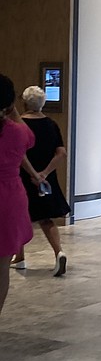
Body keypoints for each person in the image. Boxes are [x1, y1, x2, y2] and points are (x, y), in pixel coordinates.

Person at [12, 85, 71, 276]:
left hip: (22, 176)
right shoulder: (51, 125)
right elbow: (61, 152)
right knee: (47, 219)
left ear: (24, 102)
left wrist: (33, 174)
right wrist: (44, 173)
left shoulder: (19, 125)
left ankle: (19, 257)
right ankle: (58, 252)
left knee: (19, 217)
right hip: (46, 179)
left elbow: (19, 153)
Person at [0, 75, 42, 314]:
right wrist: (12, 110)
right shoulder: (16, 132)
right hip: (10, 198)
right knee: (2, 266)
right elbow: (30, 138)